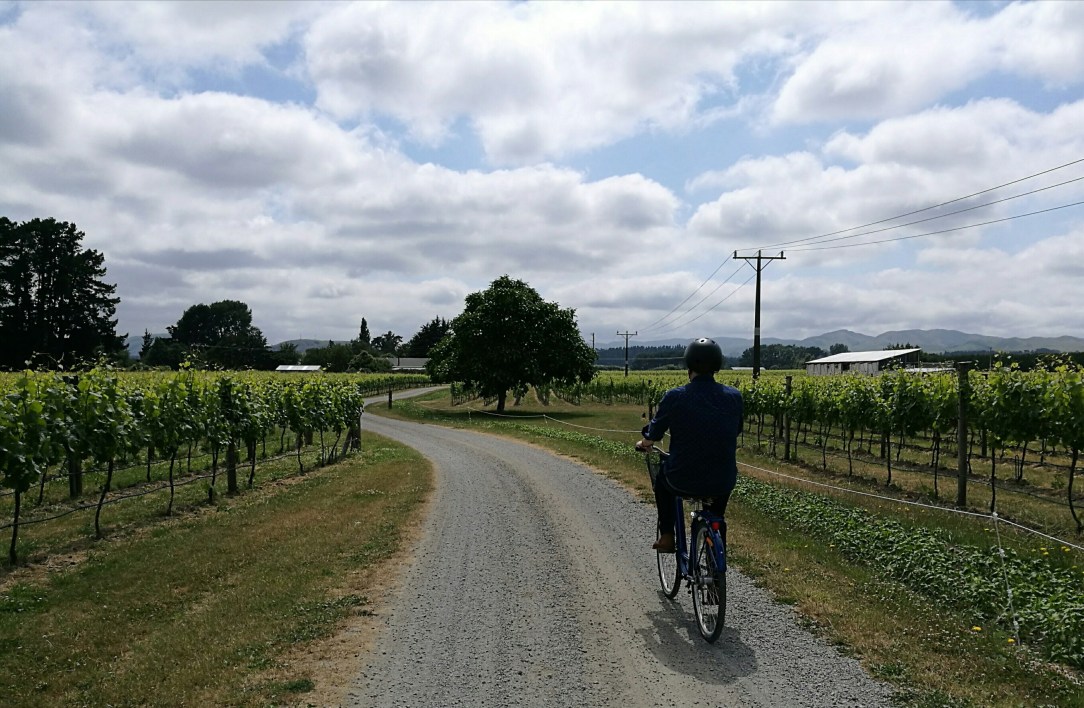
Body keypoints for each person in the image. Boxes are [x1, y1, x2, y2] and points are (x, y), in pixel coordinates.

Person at [635, 337, 743, 552]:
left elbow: (655, 432)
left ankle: (667, 536)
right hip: (723, 478)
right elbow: (737, 429)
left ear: (689, 366)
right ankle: (715, 551)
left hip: (682, 477)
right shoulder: (734, 397)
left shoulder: (676, 396)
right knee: (717, 511)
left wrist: (645, 442)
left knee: (662, 482)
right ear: (717, 366)